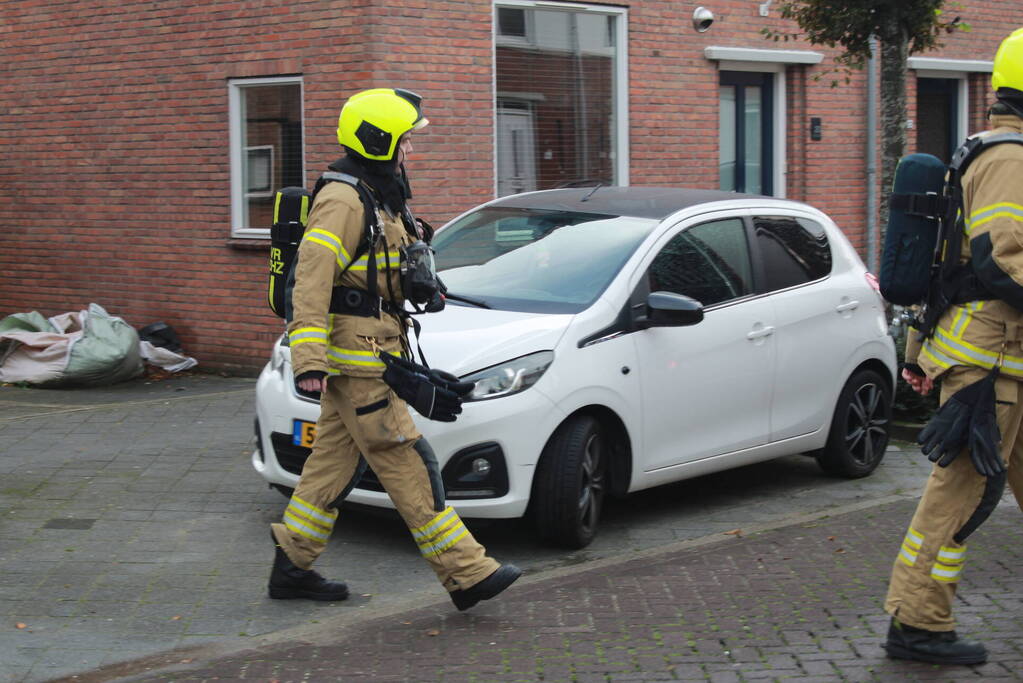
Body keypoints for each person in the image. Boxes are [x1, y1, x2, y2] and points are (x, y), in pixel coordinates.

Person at [268, 87, 521, 610]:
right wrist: (308, 360)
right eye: (406, 140)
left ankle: (291, 568)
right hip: (356, 356)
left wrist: (422, 282)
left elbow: (386, 263)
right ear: (379, 140)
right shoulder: (343, 199)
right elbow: (311, 280)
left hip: (374, 345)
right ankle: (466, 573)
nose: (411, 150)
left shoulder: (378, 193)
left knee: (330, 468)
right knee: (406, 458)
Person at [883, 28, 1023, 665]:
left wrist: (915, 350)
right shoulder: (1011, 160)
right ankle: (916, 622)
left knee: (971, 491)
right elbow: (1000, 262)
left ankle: (919, 617)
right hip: (991, 364)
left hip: (999, 360)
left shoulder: (984, 151)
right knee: (959, 494)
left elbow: (950, 265)